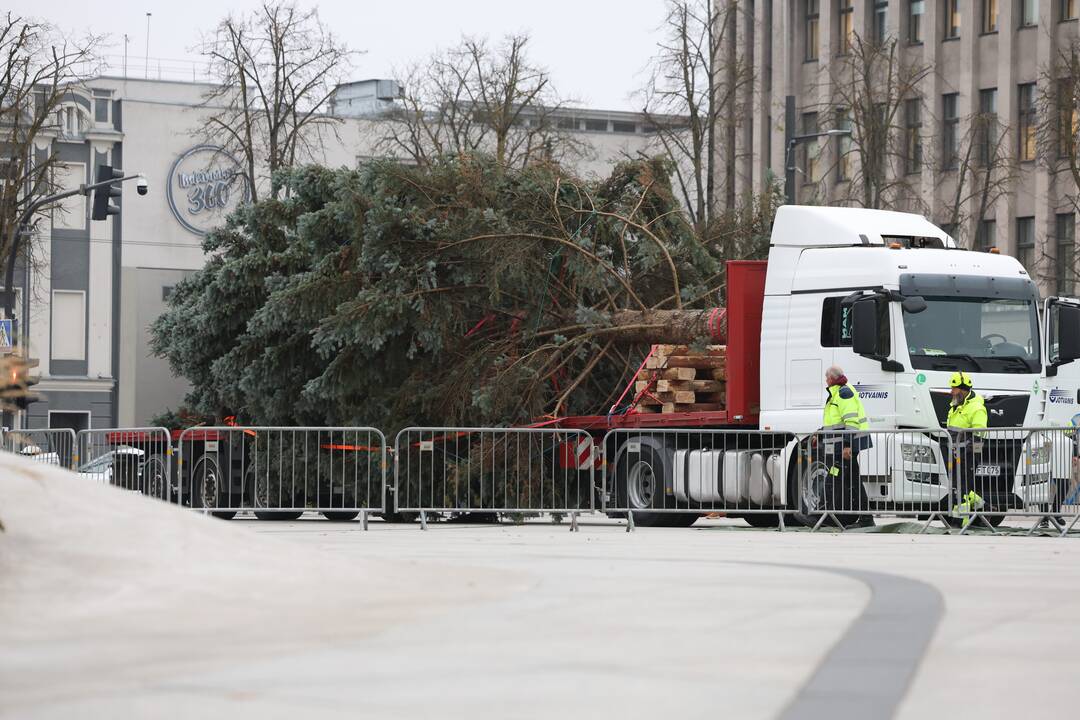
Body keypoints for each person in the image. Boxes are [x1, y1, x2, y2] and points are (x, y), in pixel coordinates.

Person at [821, 365, 871, 524]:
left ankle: (822, 515)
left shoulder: (843, 393)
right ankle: (864, 517)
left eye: (827, 377)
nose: (825, 380)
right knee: (850, 480)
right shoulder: (837, 392)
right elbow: (835, 422)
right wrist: (819, 433)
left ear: (832, 379)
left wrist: (848, 446)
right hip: (843, 445)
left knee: (835, 477)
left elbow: (851, 421)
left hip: (847, 445)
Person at [946, 371, 989, 523]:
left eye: (954, 388)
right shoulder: (955, 405)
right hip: (955, 452)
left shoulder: (977, 408)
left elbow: (979, 435)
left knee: (962, 488)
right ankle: (983, 506)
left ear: (963, 389)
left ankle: (961, 522)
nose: (951, 391)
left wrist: (970, 454)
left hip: (968, 453)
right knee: (957, 486)